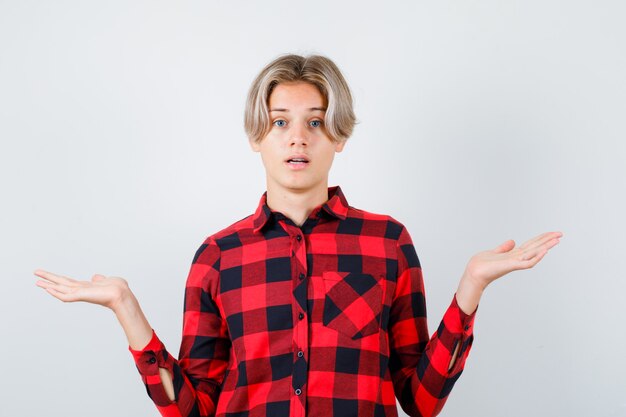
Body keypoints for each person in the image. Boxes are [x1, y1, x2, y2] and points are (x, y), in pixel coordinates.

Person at [34, 54, 562, 417]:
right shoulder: (218, 257)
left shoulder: (388, 244)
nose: (297, 139)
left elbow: (420, 402)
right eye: (280, 122)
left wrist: (471, 287)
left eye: (315, 122)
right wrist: (127, 309)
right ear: (256, 137)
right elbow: (192, 407)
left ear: (340, 136)